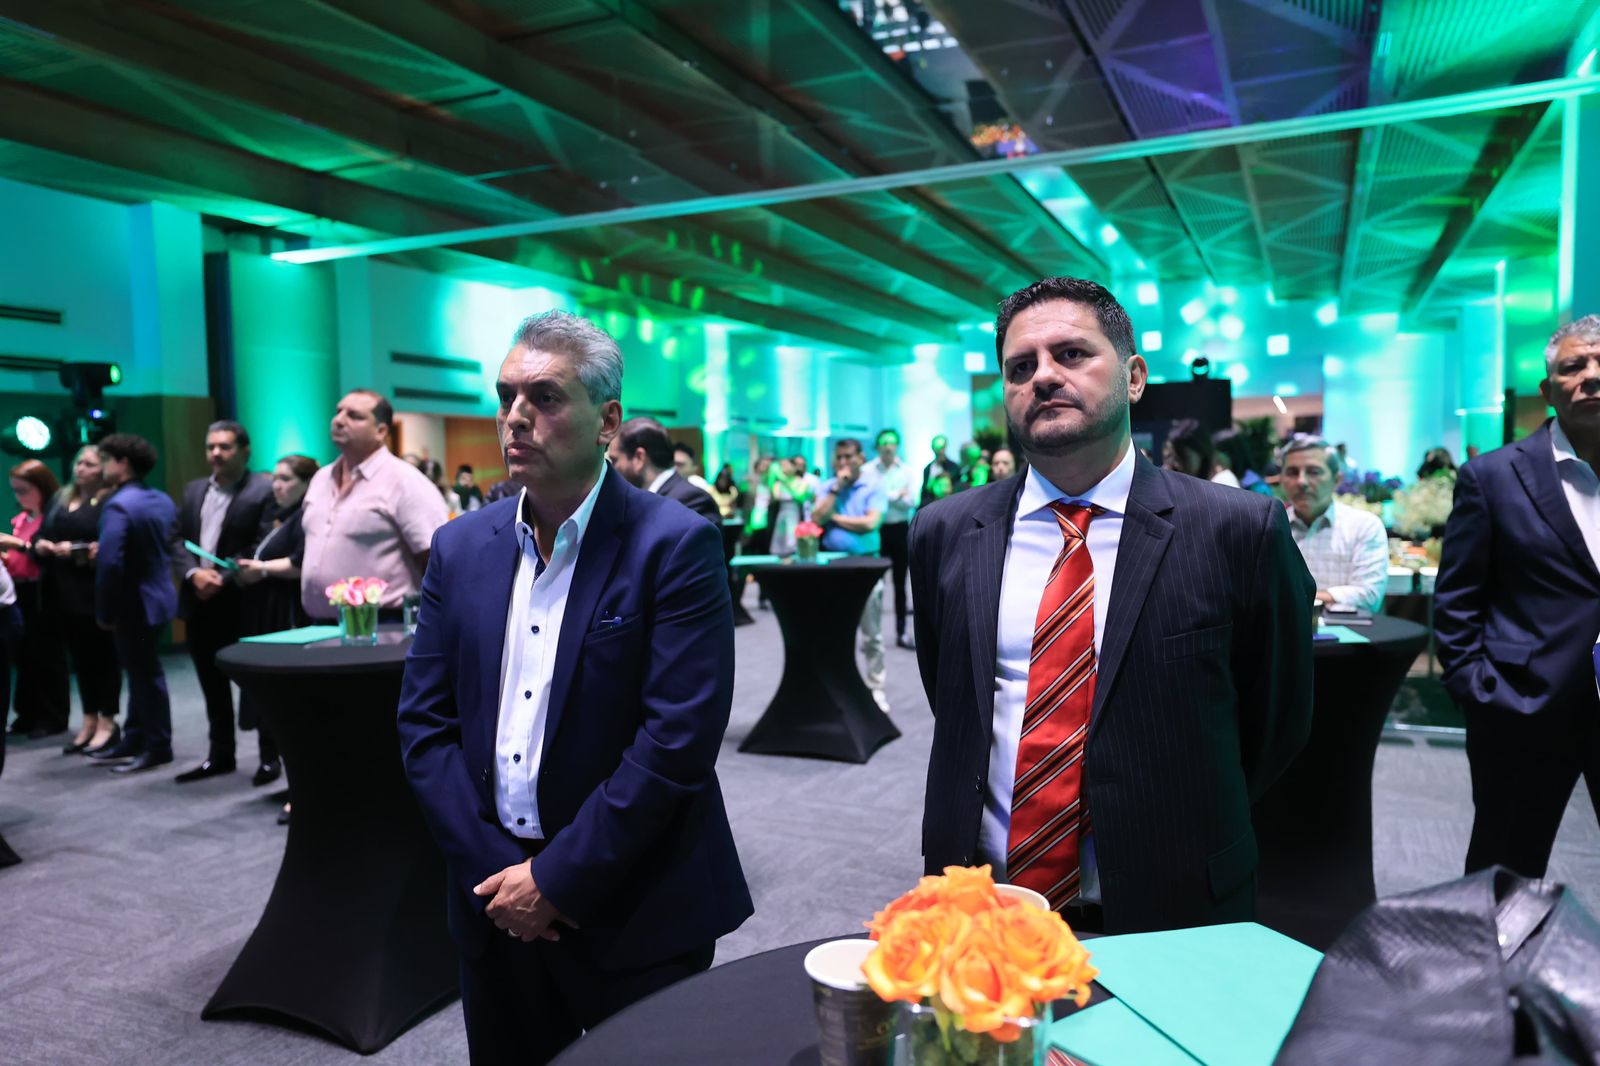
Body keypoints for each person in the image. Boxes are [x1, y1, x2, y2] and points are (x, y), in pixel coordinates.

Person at [397, 310, 751, 1064]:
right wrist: (500, 877)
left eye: (546, 397)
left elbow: (676, 742)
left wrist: (554, 880)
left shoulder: (674, 543)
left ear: (607, 422)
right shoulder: (461, 547)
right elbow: (425, 727)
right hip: (493, 902)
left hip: (637, 904)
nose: (516, 416)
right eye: (506, 396)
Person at [909, 276, 1313, 933]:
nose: (1043, 376)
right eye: (1020, 367)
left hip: (1172, 904)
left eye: (1071, 354)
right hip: (982, 905)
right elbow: (953, 700)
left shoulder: (1239, 530)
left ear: (1134, 377)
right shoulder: (945, 530)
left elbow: (1277, 720)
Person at [1435, 314, 1600, 879]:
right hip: (1524, 708)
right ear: (1548, 389)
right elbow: (1456, 601)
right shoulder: (1493, 477)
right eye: (1574, 365)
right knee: (1504, 873)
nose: (1591, 375)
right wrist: (1479, 692)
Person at [170, 421, 274, 783]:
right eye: (210, 446)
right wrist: (192, 574)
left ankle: (269, 758)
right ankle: (220, 754)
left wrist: (222, 577)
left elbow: (262, 543)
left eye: (225, 447)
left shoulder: (263, 490)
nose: (216, 453)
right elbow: (177, 540)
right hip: (199, 600)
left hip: (242, 600)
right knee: (210, 683)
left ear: (245, 451)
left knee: (256, 684)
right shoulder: (194, 489)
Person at [299, 391, 451, 622]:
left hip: (385, 624)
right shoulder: (321, 478)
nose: (338, 420)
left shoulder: (405, 481)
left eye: (354, 416)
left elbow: (438, 558)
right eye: (338, 412)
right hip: (319, 624)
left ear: (381, 431)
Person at [89, 434, 180, 775]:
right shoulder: (161, 499)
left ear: (123, 463)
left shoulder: (118, 505)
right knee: (142, 671)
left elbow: (111, 563)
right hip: (160, 597)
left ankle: (158, 745)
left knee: (144, 675)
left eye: (105, 460)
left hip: (134, 604)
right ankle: (135, 736)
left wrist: (104, 610)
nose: (102, 467)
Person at [234, 453, 319, 793]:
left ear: (307, 483)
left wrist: (262, 569)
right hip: (263, 606)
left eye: (286, 480)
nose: (277, 486)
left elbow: (301, 563)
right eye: (276, 479)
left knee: (286, 692)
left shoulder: (308, 516)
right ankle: (269, 757)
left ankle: (296, 774)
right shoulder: (274, 514)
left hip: (289, 610)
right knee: (264, 686)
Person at [34, 446, 122, 755]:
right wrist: (41, 545)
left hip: (92, 589)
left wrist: (75, 549)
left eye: (89, 464)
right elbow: (40, 533)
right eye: (78, 462)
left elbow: (109, 543)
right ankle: (89, 718)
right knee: (81, 660)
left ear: (103, 469)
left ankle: (108, 721)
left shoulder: (109, 501)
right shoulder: (60, 497)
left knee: (103, 658)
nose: (80, 468)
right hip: (61, 591)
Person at [814, 438, 890, 710]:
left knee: (871, 633)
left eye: (849, 457)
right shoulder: (828, 487)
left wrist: (834, 518)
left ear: (861, 458)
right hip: (831, 564)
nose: (844, 463)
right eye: (839, 458)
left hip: (865, 564)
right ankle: (837, 689)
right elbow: (816, 517)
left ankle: (875, 687)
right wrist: (837, 488)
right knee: (832, 631)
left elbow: (870, 523)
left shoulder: (874, 485)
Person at [1279, 436, 1388, 614]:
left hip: (1346, 630)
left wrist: (1292, 600)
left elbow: (1368, 596)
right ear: (1281, 479)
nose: (1301, 482)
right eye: (1292, 472)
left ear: (1337, 480)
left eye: (1313, 472)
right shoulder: (1271, 528)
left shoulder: (1364, 526)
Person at [0, 460, 70, 738]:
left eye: (24, 490)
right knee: (25, 658)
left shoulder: (54, 518)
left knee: (47, 656)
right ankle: (28, 713)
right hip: (20, 592)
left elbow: (44, 556)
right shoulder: (23, 519)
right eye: (15, 491)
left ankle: (52, 716)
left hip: (44, 593)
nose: (19, 497)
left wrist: (18, 546)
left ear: (42, 487)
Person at [606, 417, 719, 523]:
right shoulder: (636, 500)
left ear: (639, 458)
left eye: (614, 460)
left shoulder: (692, 500)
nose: (611, 468)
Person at [865, 429, 917, 650]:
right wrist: (896, 495)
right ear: (878, 446)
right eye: (884, 442)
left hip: (899, 529)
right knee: (873, 585)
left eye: (892, 442)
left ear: (897, 446)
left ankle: (901, 632)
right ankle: (872, 635)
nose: (888, 446)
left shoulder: (906, 471)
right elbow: (868, 500)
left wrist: (884, 496)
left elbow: (911, 501)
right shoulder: (868, 470)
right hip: (875, 530)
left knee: (900, 584)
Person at [1162, 418, 1236, 487]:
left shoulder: (1223, 481)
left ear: (1201, 453)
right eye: (1169, 456)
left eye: (1183, 456)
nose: (1176, 465)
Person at [921, 435, 960, 506]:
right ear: (933, 448)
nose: (940, 451)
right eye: (937, 447)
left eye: (942, 447)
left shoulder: (953, 467)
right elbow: (924, 491)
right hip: (932, 504)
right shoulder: (928, 469)